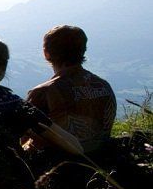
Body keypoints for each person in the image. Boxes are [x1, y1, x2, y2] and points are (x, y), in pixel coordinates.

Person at [26, 25, 116, 155]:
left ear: (46, 54)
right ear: (83, 50)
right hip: (102, 160)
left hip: (57, 167)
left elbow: (24, 137)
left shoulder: (43, 93)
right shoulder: (104, 86)